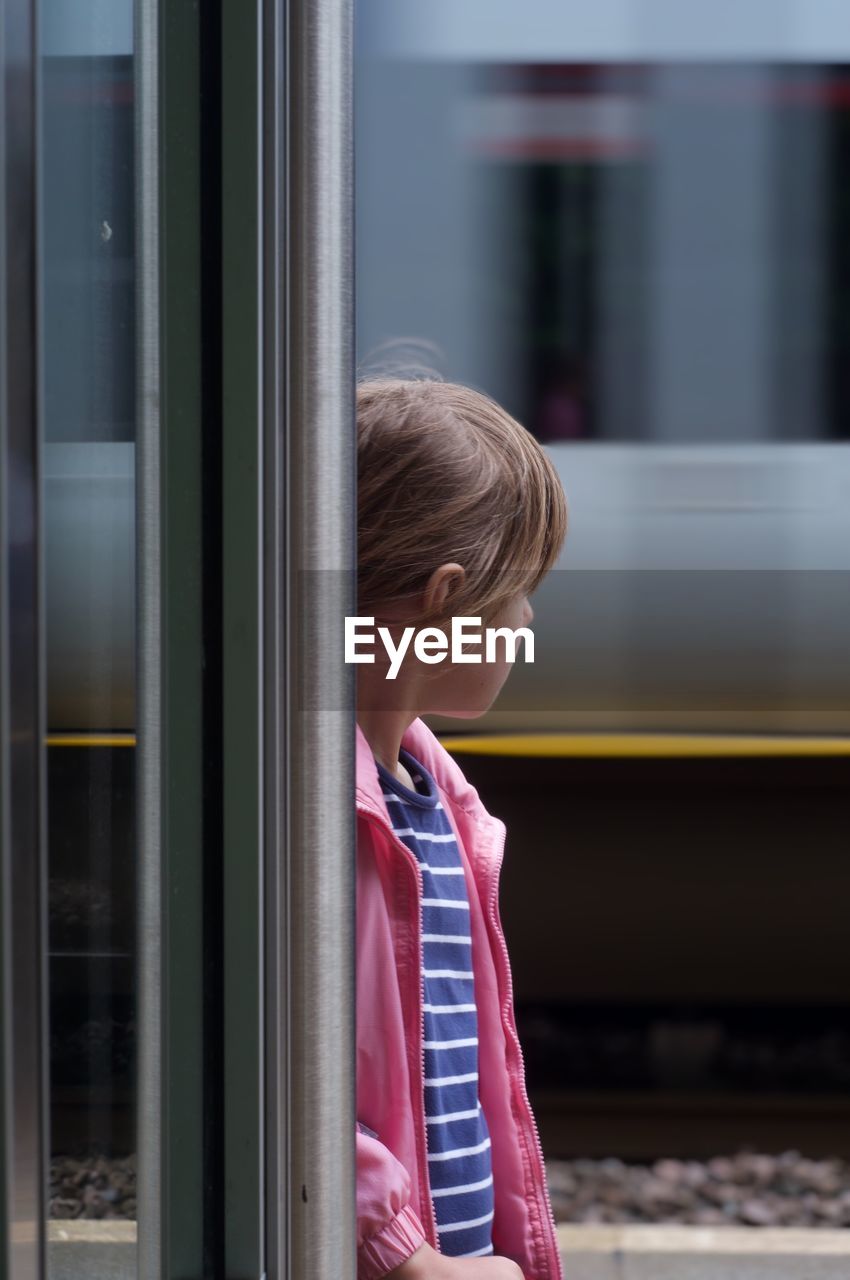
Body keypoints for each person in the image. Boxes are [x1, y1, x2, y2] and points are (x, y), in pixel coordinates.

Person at [355, 378, 568, 1280]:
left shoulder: (431, 795)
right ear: (443, 602)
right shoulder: (310, 817)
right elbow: (272, 1070)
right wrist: (405, 1260)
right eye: (520, 595)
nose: (528, 623)